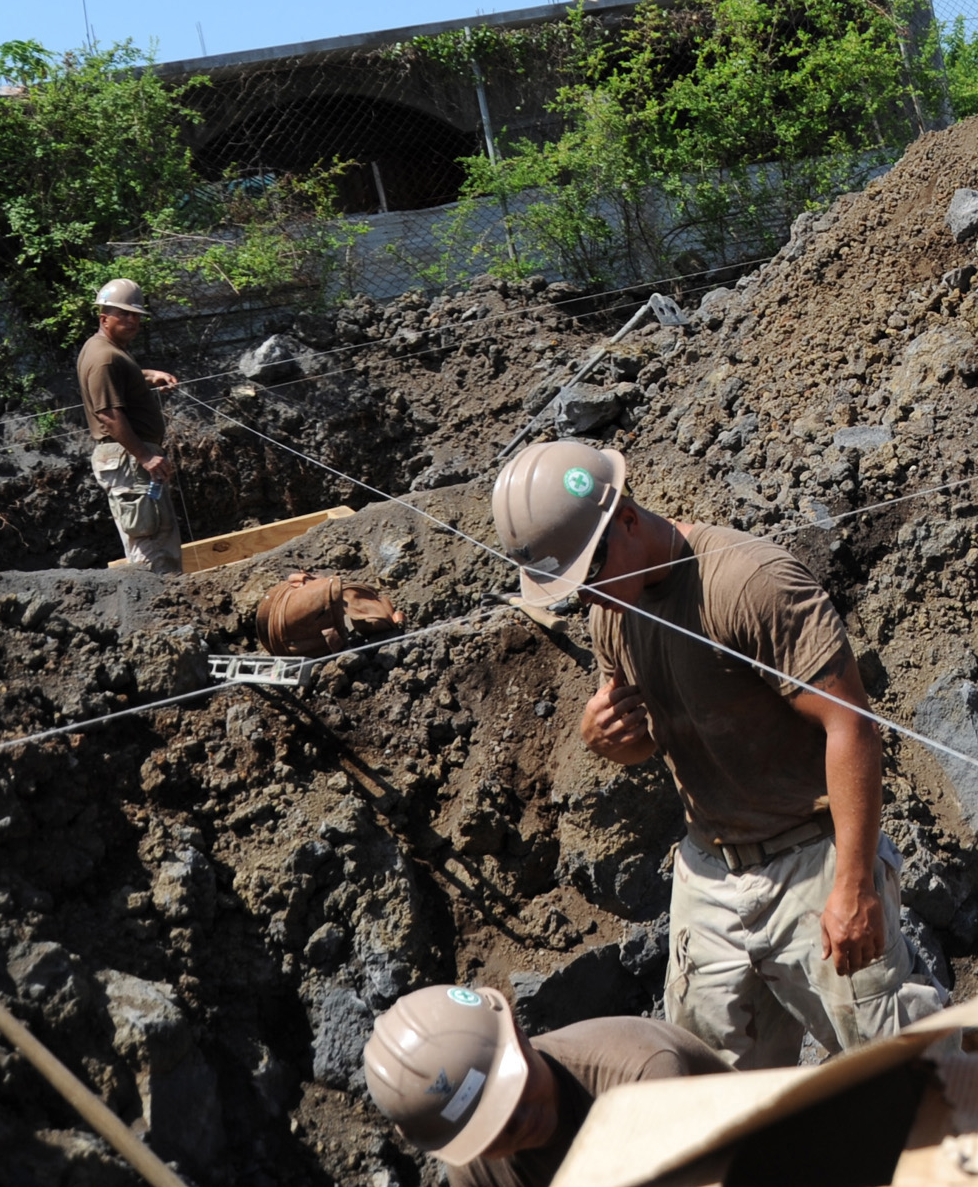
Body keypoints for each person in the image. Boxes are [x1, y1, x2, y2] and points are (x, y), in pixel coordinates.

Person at [491, 438, 946, 1068]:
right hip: (708, 869)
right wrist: (605, 741)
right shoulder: (610, 611)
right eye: (572, 590)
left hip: (811, 859)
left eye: (589, 575)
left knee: (899, 1065)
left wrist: (854, 886)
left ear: (627, 519)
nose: (587, 599)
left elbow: (852, 725)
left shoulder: (749, 582)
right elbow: (653, 732)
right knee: (710, 1084)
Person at [362, 981, 721, 1186]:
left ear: (519, 1033)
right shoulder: (474, 1170)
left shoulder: (641, 1075)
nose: (516, 1122)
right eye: (489, 1129)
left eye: (510, 1096)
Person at [75, 276, 181, 569]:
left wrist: (148, 375)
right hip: (129, 460)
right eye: (124, 314)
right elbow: (108, 414)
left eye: (136, 315)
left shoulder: (106, 350)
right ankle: (163, 606)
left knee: (156, 536)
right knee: (152, 544)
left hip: (128, 459)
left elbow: (122, 375)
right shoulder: (105, 358)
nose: (132, 320)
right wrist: (145, 456)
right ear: (104, 317)